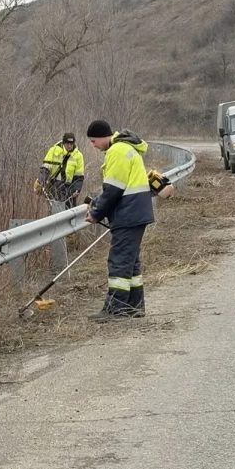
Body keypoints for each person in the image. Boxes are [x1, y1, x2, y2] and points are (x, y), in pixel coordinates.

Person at [84, 118, 156, 320]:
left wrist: (96, 213)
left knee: (119, 262)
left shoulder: (117, 152)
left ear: (102, 137)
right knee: (131, 263)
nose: (93, 145)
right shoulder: (126, 148)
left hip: (129, 213)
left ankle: (116, 309)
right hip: (136, 212)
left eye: (93, 141)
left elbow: (113, 190)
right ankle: (134, 307)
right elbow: (115, 188)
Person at [34, 132, 85, 207]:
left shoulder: (78, 156)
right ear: (63, 143)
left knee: (70, 212)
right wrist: (41, 181)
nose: (69, 146)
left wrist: (76, 190)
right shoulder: (53, 151)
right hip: (54, 187)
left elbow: (79, 177)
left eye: (71, 144)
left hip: (70, 189)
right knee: (54, 211)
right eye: (67, 144)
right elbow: (45, 168)